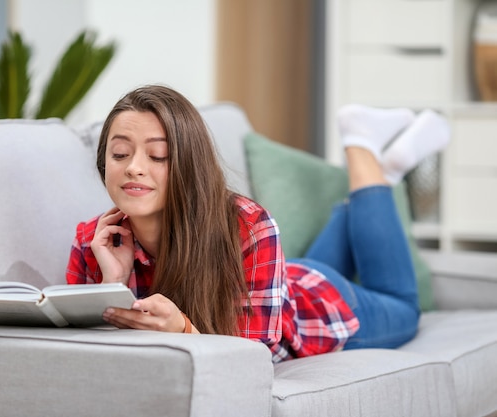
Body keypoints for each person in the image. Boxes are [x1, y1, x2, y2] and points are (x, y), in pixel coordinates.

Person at [66, 85, 450, 362]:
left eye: (158, 156)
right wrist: (111, 285)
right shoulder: (96, 241)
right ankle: (383, 177)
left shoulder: (248, 226)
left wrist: (183, 330)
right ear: (105, 164)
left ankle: (361, 146)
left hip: (315, 302)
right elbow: (85, 360)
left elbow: (249, 361)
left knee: (404, 306)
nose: (133, 167)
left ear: (189, 165)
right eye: (120, 153)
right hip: (274, 279)